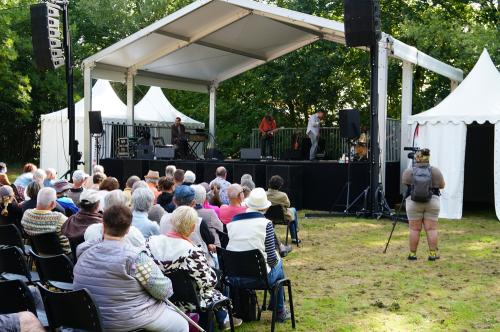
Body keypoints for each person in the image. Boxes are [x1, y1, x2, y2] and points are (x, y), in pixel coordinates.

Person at [73, 205, 188, 332]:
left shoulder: (83, 251)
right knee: (182, 324)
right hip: (128, 321)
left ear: (103, 226)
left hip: (90, 318)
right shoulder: (136, 258)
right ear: (128, 229)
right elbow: (164, 291)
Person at [146, 206, 242, 330]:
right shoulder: (191, 250)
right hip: (190, 301)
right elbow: (209, 282)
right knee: (212, 291)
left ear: (171, 222)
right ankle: (223, 319)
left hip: (162, 296)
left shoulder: (150, 242)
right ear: (192, 228)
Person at [226, 188, 291, 322]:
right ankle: (279, 310)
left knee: (275, 266)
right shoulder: (266, 224)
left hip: (234, 278)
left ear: (248, 205)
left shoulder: (232, 223)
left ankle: (277, 307)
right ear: (265, 208)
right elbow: (272, 260)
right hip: (260, 278)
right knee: (279, 264)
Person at [402, 148, 445, 261]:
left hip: (413, 202)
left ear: (416, 159)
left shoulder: (409, 171)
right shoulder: (435, 171)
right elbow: (442, 185)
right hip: (432, 202)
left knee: (414, 229)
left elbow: (405, 182)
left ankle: (413, 254)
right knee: (431, 229)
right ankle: (432, 254)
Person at [159, 185, 216, 265]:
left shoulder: (163, 219)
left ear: (174, 201)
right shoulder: (198, 222)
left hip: (169, 264)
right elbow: (211, 240)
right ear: (193, 203)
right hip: (196, 265)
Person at [21, 187, 71, 255]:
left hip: (39, 257)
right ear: (53, 203)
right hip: (64, 259)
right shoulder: (59, 218)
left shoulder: (27, 215)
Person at [266, 175, 300, 244]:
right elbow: (288, 205)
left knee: (291, 213)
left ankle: (294, 233)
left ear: (270, 183)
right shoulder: (283, 195)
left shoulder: (264, 194)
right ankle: (294, 236)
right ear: (280, 186)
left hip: (268, 217)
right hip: (283, 218)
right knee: (293, 210)